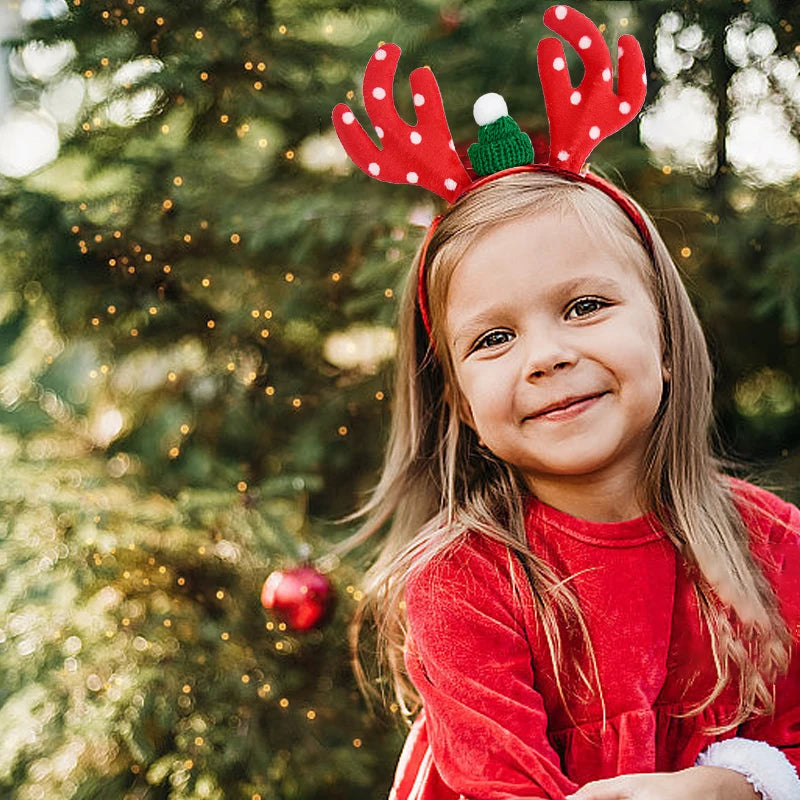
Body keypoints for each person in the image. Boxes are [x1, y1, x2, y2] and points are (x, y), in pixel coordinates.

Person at [331, 6, 800, 799]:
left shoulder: (775, 545)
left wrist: (737, 786)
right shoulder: (461, 581)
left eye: (584, 307)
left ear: (665, 337)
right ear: (462, 406)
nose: (547, 355)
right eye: (493, 339)